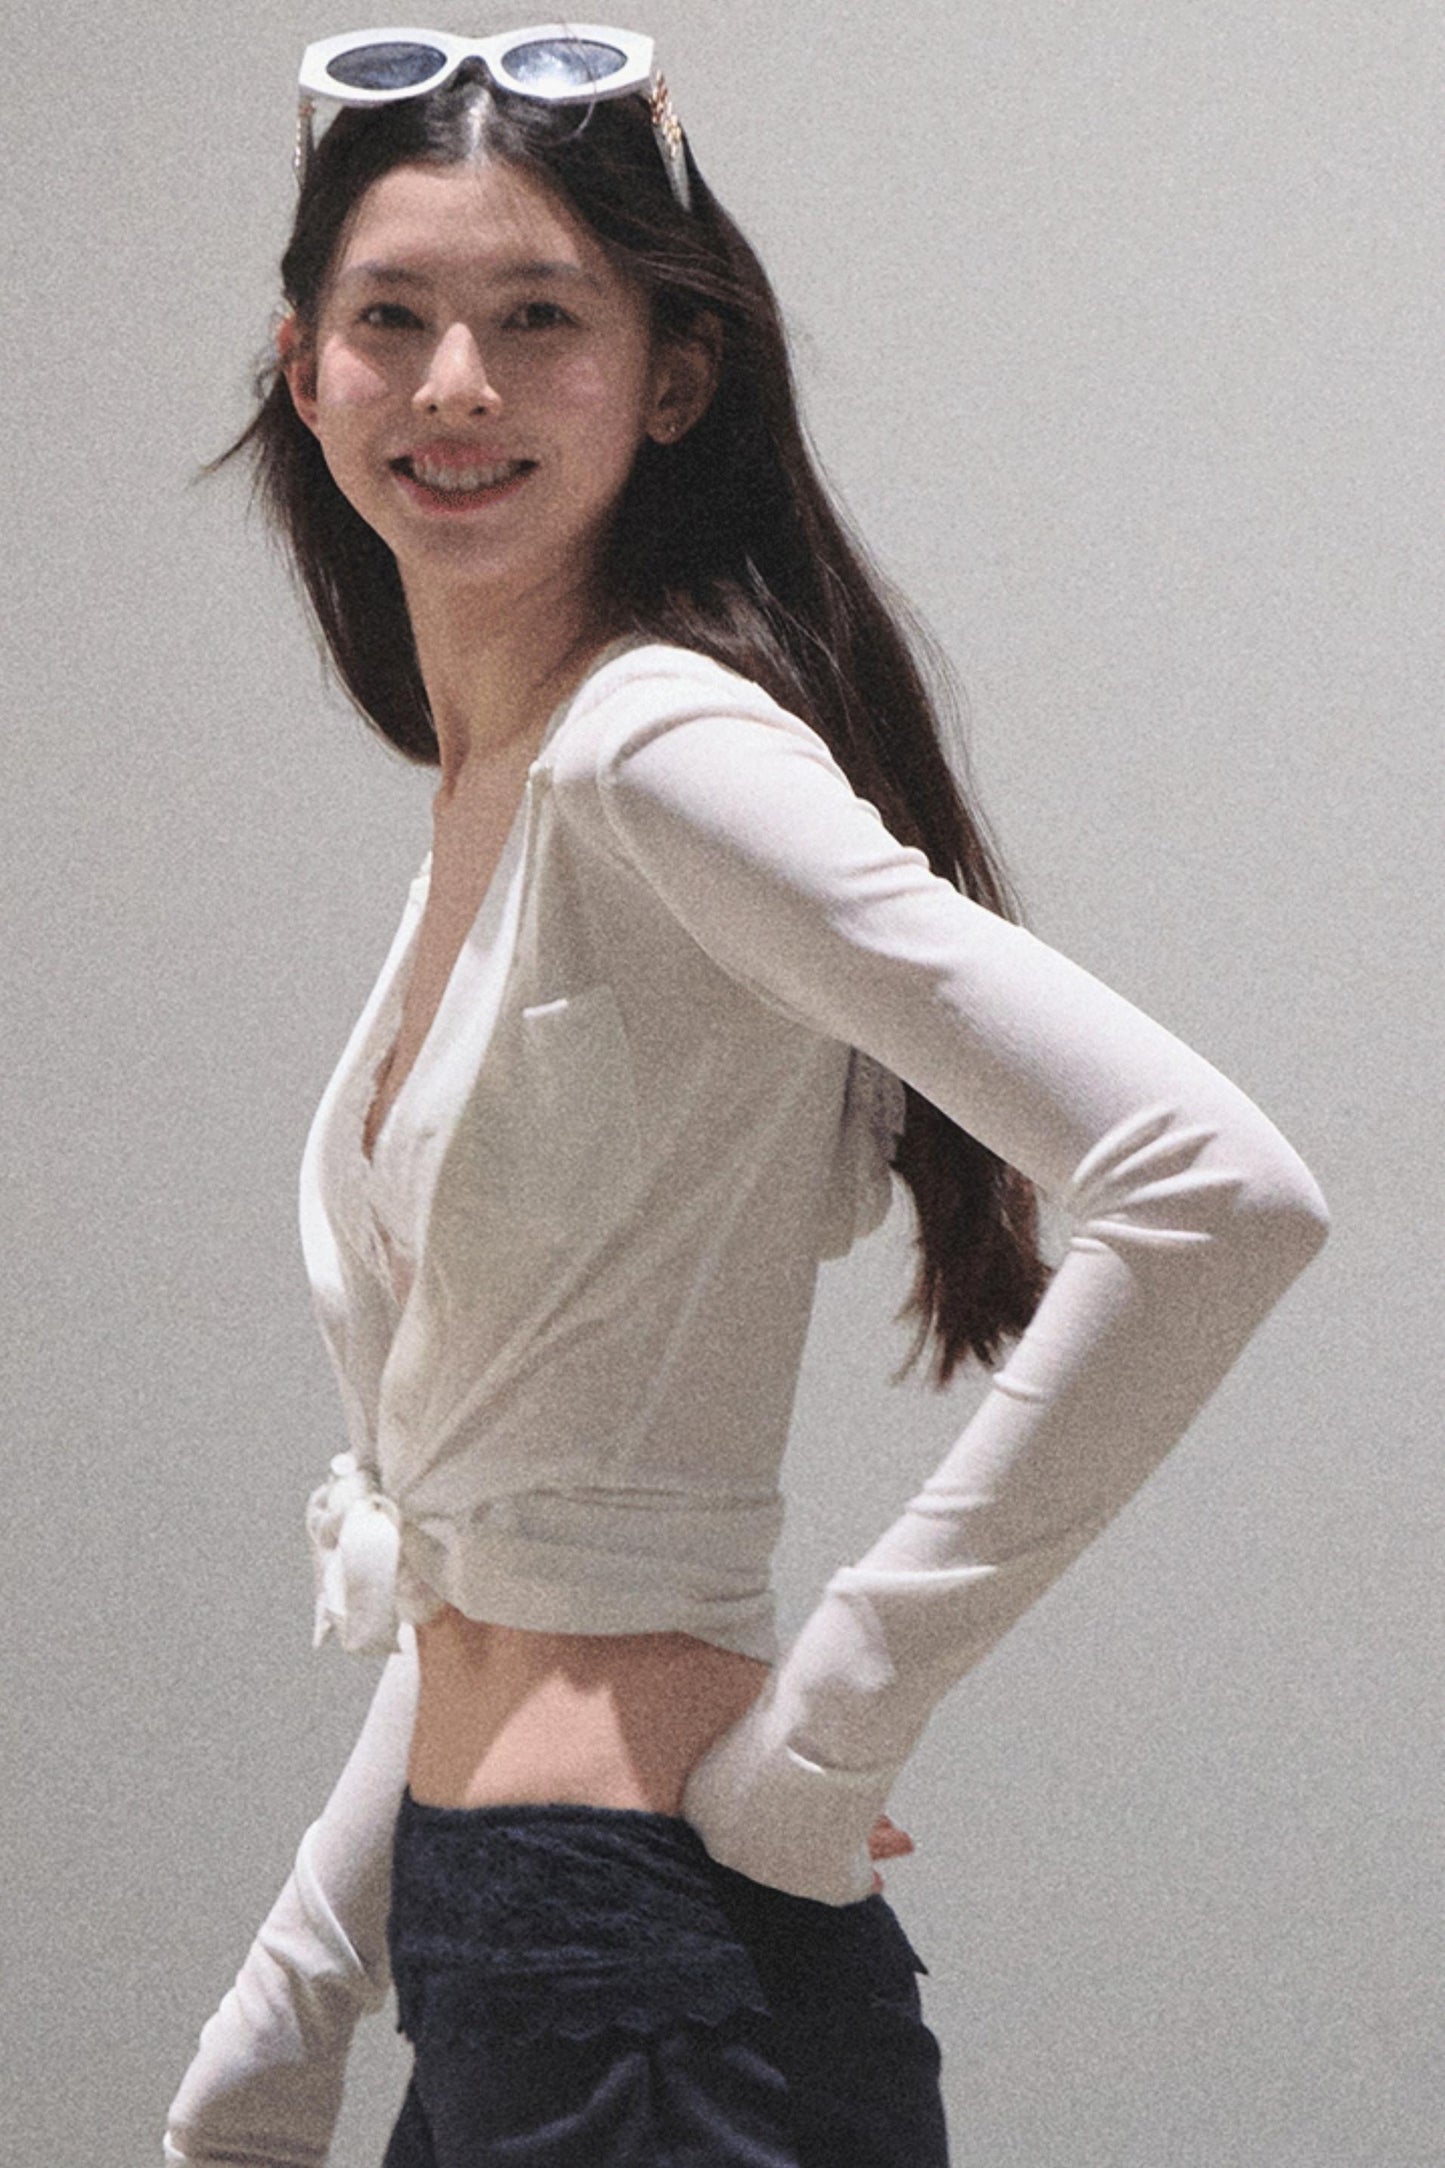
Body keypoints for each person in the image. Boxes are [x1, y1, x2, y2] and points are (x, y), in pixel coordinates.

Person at [163, 25, 1330, 2168]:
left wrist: (833, 1736)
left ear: (671, 376)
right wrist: (297, 1996)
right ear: (302, 366)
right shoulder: (506, 792)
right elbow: (496, 1540)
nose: (454, 387)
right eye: (391, 318)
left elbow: (1216, 1191)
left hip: (651, 1973)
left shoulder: (654, 754)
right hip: (514, 1943)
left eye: (539, 320)